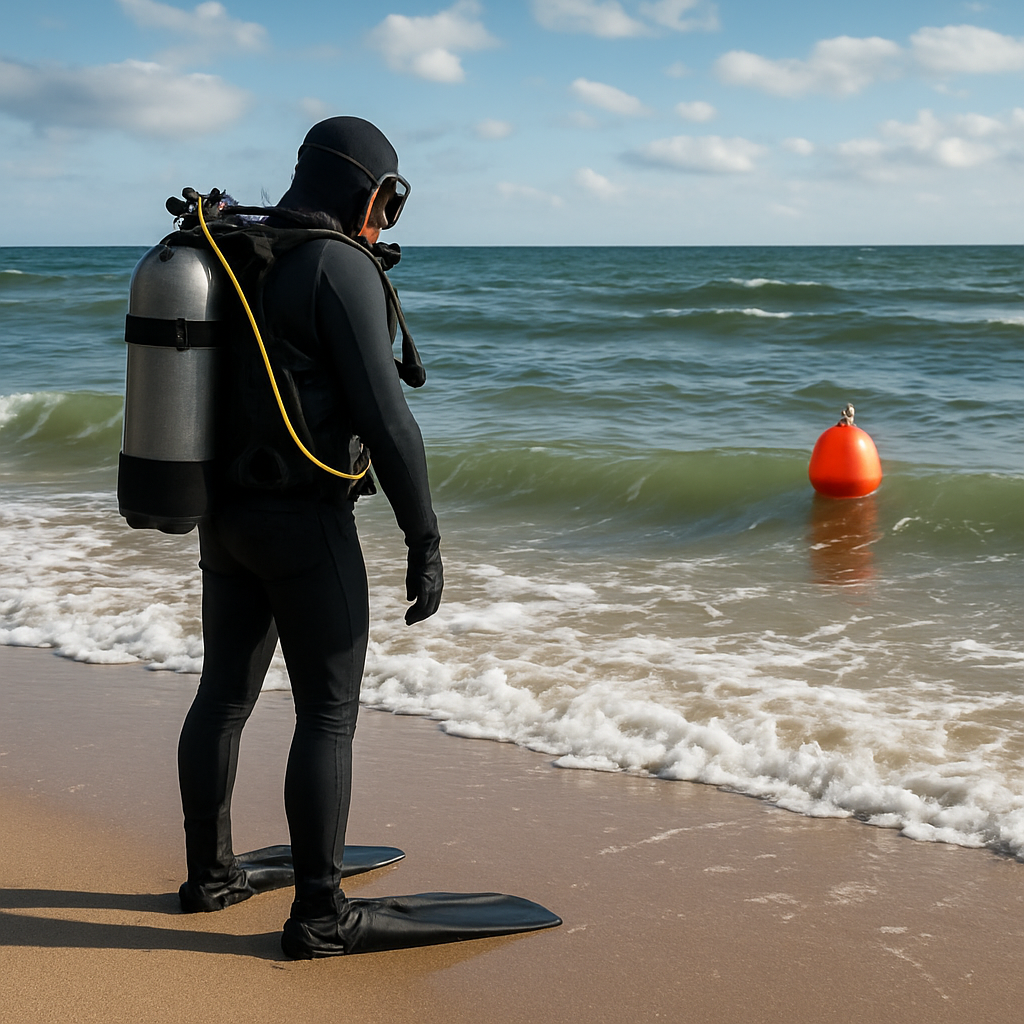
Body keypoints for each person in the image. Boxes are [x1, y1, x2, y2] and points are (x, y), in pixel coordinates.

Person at [175, 116, 444, 957]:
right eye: (387, 203)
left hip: (225, 519)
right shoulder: (337, 266)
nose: (384, 225)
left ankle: (210, 873)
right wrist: (424, 539)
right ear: (369, 191)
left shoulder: (230, 250)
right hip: (304, 526)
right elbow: (387, 421)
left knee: (223, 693)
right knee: (327, 715)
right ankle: (322, 914)